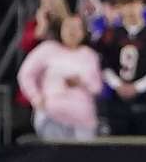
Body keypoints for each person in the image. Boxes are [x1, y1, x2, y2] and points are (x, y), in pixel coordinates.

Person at [16, 11, 104, 141]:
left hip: (83, 119)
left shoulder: (90, 55)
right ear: (61, 29)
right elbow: (25, 74)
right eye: (68, 27)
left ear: (84, 32)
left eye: (77, 28)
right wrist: (35, 97)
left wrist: (81, 82)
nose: (72, 31)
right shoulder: (47, 49)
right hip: (52, 115)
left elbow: (97, 88)